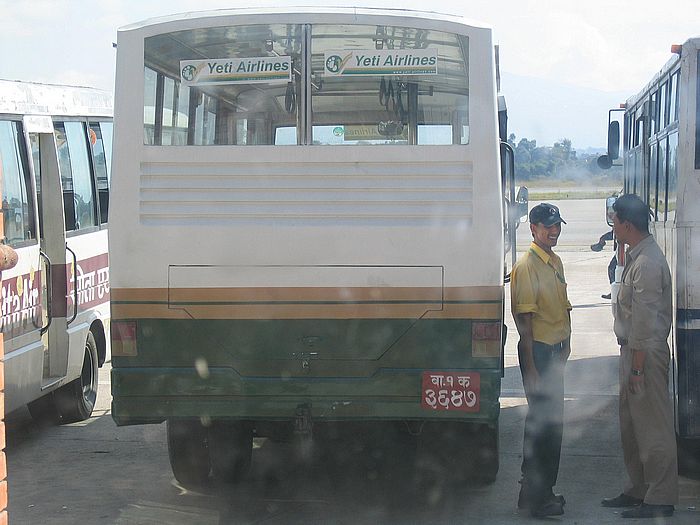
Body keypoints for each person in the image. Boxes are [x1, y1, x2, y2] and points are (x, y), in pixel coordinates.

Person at [601, 194, 678, 519]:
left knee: (653, 426)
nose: (613, 226)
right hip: (633, 351)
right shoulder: (636, 255)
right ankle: (639, 488)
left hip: (643, 354)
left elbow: (645, 325)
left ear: (626, 225)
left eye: (615, 220)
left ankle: (659, 496)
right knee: (632, 426)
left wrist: (636, 370)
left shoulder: (646, 264)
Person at [511, 202, 571, 518]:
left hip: (555, 354)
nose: (554, 231)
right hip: (540, 356)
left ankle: (538, 492)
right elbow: (525, 327)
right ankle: (537, 498)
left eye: (557, 225)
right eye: (548, 226)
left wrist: (567, 346)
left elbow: (563, 307)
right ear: (533, 229)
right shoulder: (527, 267)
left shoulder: (554, 262)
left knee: (549, 428)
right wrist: (532, 369)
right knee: (544, 429)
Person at [590, 230, 617, 299]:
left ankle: (615, 291)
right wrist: (603, 238)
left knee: (612, 268)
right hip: (622, 248)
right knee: (613, 268)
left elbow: (616, 232)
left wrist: (603, 238)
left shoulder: (622, 220)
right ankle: (615, 291)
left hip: (625, 248)